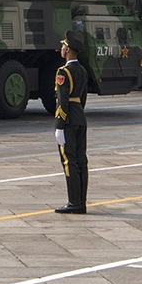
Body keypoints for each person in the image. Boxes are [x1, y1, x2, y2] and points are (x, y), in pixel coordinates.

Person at [54, 30, 89, 214]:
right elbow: (82, 98)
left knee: (69, 161)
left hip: (68, 120)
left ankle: (74, 203)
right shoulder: (83, 71)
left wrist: (59, 126)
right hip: (80, 118)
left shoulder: (63, 72)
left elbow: (62, 100)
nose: (61, 48)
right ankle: (81, 202)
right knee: (81, 160)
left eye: (62, 46)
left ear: (67, 50)